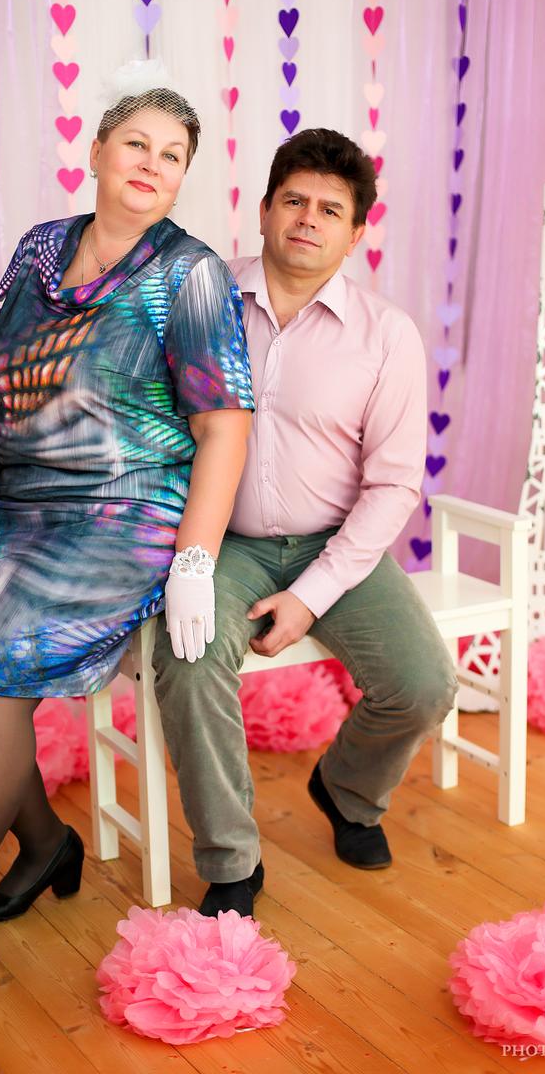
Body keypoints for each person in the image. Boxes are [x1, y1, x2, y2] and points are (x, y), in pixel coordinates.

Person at [0, 63, 254, 990]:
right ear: (97, 151)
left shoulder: (190, 274)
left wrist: (195, 561)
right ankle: (45, 840)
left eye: (173, 155)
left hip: (126, 515)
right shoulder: (43, 248)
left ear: (183, 176)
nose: (152, 163)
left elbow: (224, 427)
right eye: (137, 143)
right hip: (23, 505)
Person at [153, 127, 459, 918]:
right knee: (187, 658)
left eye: (330, 209)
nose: (308, 219)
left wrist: (312, 595)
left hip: (337, 541)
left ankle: (348, 789)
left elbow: (393, 486)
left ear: (356, 234)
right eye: (294, 200)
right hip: (222, 541)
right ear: (264, 209)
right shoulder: (201, 298)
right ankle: (232, 861)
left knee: (424, 684)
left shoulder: (386, 335)